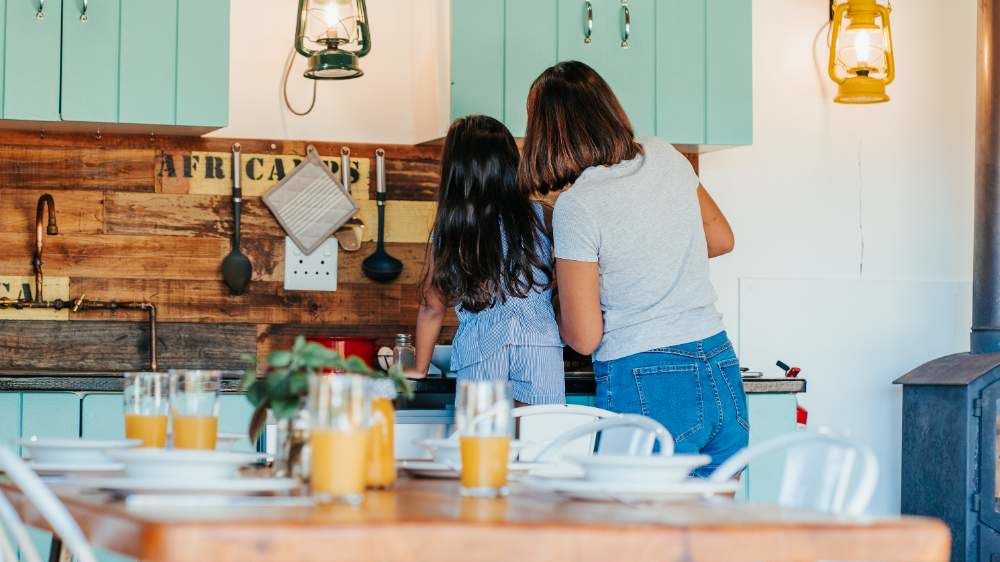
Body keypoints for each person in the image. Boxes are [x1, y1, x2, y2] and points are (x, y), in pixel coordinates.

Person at [518, 61, 745, 476]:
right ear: (609, 109)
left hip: (648, 376)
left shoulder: (577, 206)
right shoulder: (664, 153)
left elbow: (584, 338)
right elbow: (720, 239)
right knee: (712, 529)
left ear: (546, 134)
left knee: (642, 531)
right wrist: (646, 259)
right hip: (719, 364)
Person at [411, 115, 565, 405]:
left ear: (455, 174)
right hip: (540, 347)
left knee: (482, 444)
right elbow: (574, 276)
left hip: (481, 350)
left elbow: (432, 307)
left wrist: (420, 367)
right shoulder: (543, 217)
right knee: (542, 443)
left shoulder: (454, 230)